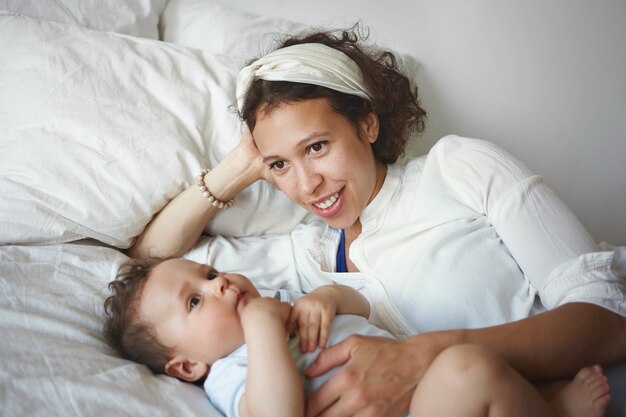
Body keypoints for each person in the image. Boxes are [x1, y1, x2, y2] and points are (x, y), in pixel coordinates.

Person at [128, 24, 626, 417]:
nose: (307, 185)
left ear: (367, 123)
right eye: (280, 165)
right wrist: (242, 164)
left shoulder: (457, 169)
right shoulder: (306, 256)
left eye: (317, 147)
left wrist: (426, 354)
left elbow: (610, 318)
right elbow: (152, 258)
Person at [102, 257, 610, 417]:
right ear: (187, 366)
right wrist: (261, 329)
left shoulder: (281, 299)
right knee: (468, 368)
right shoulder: (233, 372)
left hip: (422, 392)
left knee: (472, 367)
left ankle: (544, 405)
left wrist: (326, 295)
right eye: (195, 302)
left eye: (210, 272)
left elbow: (361, 305)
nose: (218, 285)